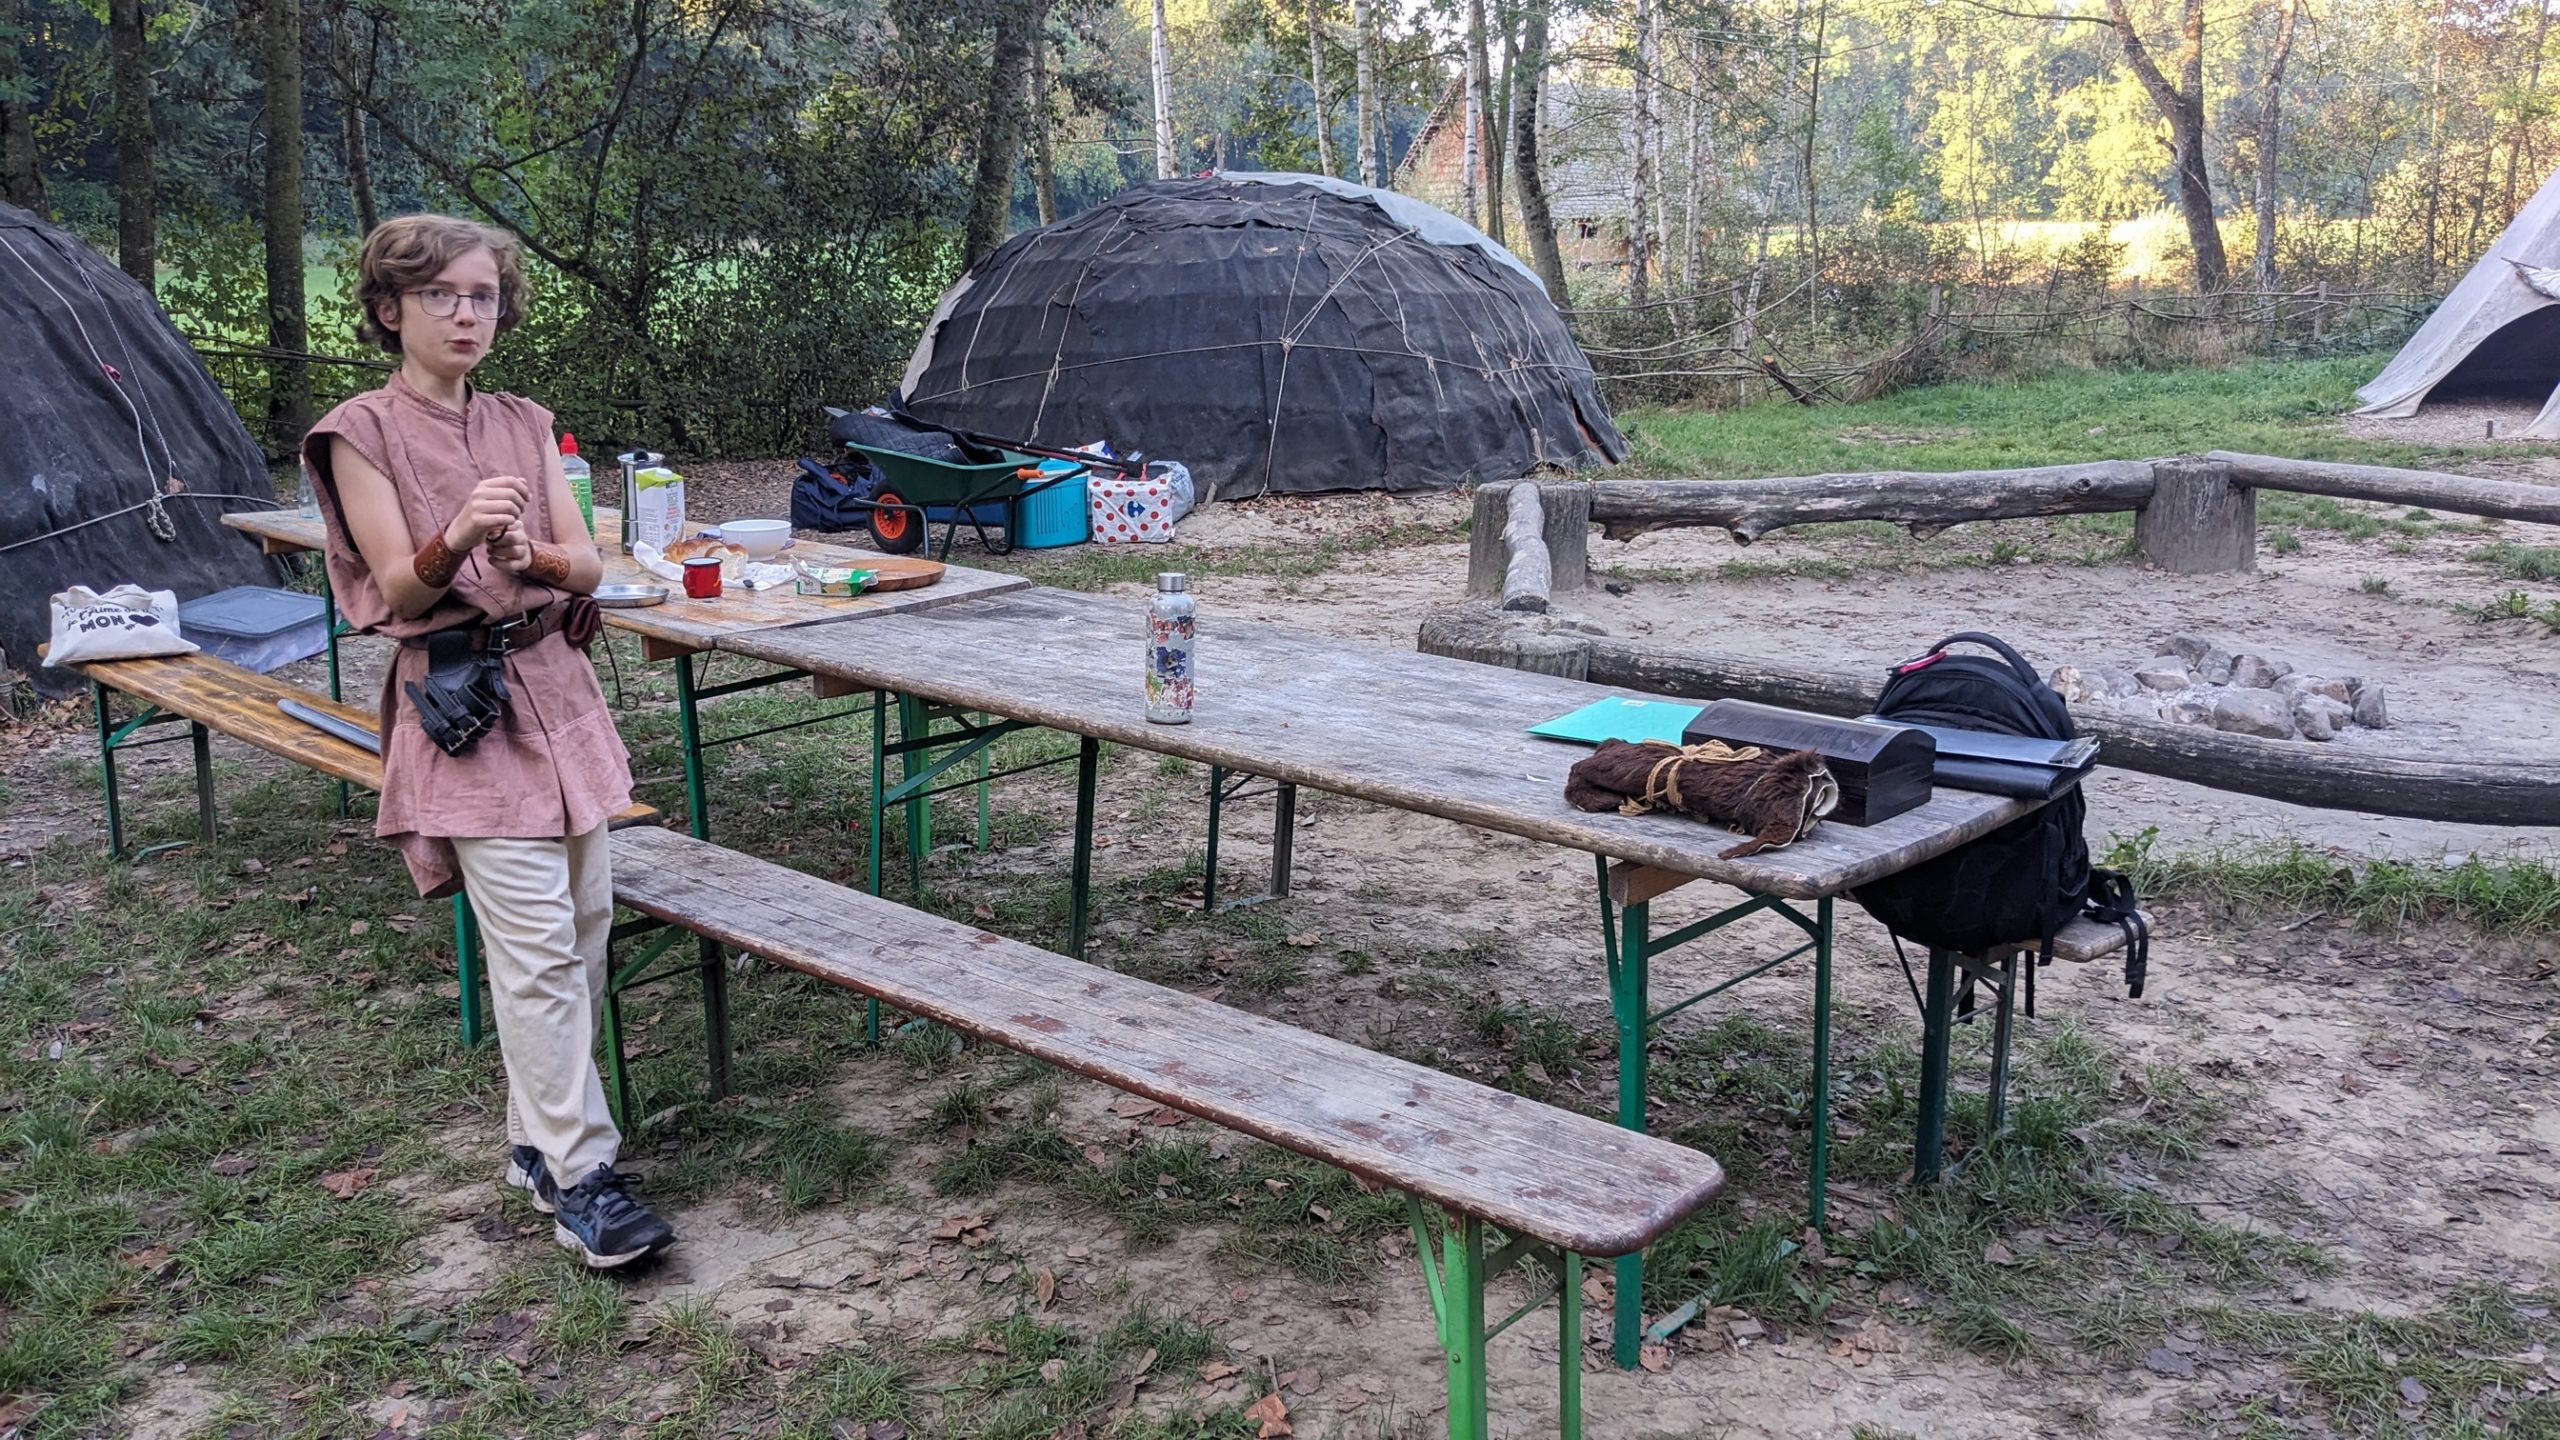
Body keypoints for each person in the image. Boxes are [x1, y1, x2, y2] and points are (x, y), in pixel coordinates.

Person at [301, 214, 674, 1269]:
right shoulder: (358, 433)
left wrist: (532, 558)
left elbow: (588, 565)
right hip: (461, 708)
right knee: (537, 950)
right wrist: (459, 534)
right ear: (390, 310)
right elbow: (397, 585)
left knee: (585, 927)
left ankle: (532, 1141)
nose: (467, 314)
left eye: (483, 296)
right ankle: (583, 1178)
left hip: (556, 688)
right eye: (442, 296)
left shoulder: (524, 420)